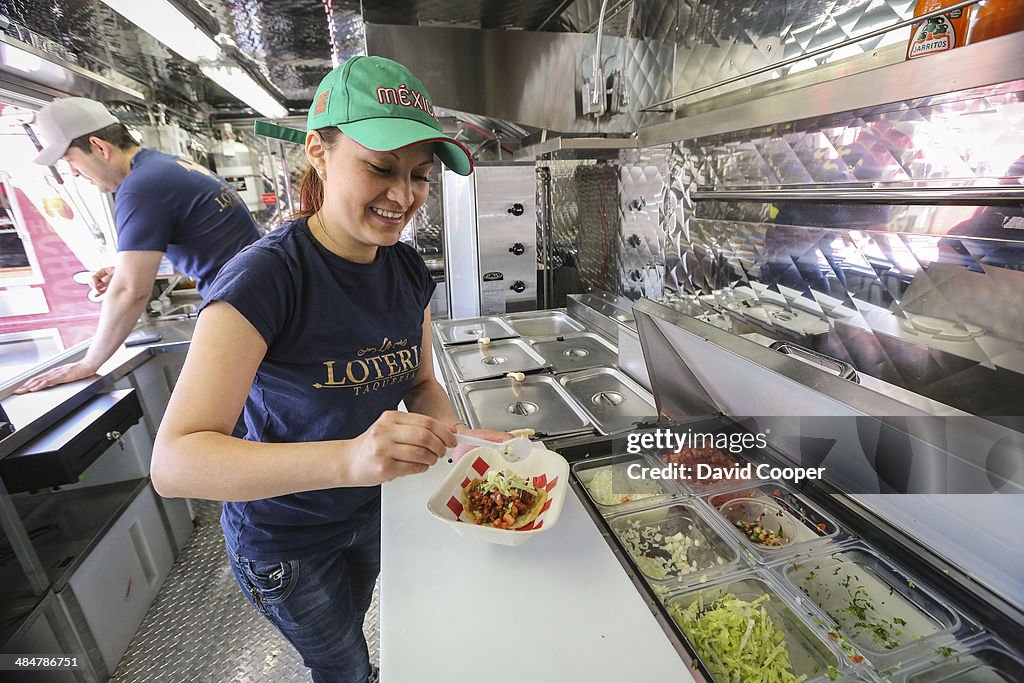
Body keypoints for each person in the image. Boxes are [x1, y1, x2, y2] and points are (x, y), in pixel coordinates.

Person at [151, 56, 510, 683]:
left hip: (370, 516)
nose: (403, 196)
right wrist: (350, 459)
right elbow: (176, 463)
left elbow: (422, 382)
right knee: (344, 666)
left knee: (366, 632)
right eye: (380, 167)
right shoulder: (267, 278)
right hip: (287, 541)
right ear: (318, 151)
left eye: (420, 176)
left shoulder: (401, 268)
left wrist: (458, 443)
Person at [15, 97, 259, 393]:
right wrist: (124, 269)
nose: (75, 173)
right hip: (256, 305)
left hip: (246, 314)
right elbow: (206, 241)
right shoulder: (164, 166)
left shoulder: (141, 187)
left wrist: (88, 363)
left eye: (70, 161)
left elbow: (132, 290)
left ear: (99, 146)